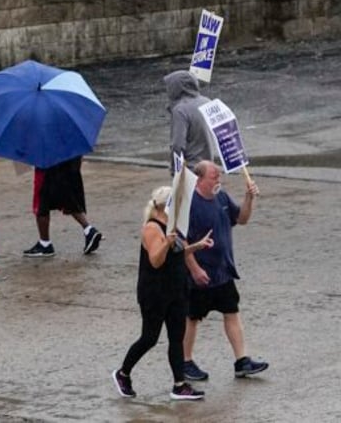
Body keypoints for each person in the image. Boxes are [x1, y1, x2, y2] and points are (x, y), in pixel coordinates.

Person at [112, 186, 214, 401]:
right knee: (149, 337)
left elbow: (177, 254)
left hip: (176, 289)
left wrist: (196, 246)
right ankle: (123, 373)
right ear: (163, 206)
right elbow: (156, 260)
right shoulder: (152, 228)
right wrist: (167, 242)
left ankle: (179, 385)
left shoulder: (174, 226)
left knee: (176, 337)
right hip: (155, 292)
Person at [181, 160, 268, 381]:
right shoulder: (190, 205)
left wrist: (249, 198)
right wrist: (195, 269)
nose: (218, 179)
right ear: (199, 180)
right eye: (214, 176)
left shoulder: (221, 197)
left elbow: (242, 219)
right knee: (192, 318)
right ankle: (185, 361)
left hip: (223, 271)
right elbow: (183, 243)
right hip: (200, 275)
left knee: (232, 312)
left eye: (219, 175)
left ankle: (242, 361)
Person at [23, 155, 103, 257]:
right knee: (67, 196)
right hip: (70, 158)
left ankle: (45, 243)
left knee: (41, 201)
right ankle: (89, 230)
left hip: (48, 161)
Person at [163, 70, 215, 174]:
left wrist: (176, 170)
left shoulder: (180, 110)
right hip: (209, 166)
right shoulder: (207, 101)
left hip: (191, 169)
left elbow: (177, 145)